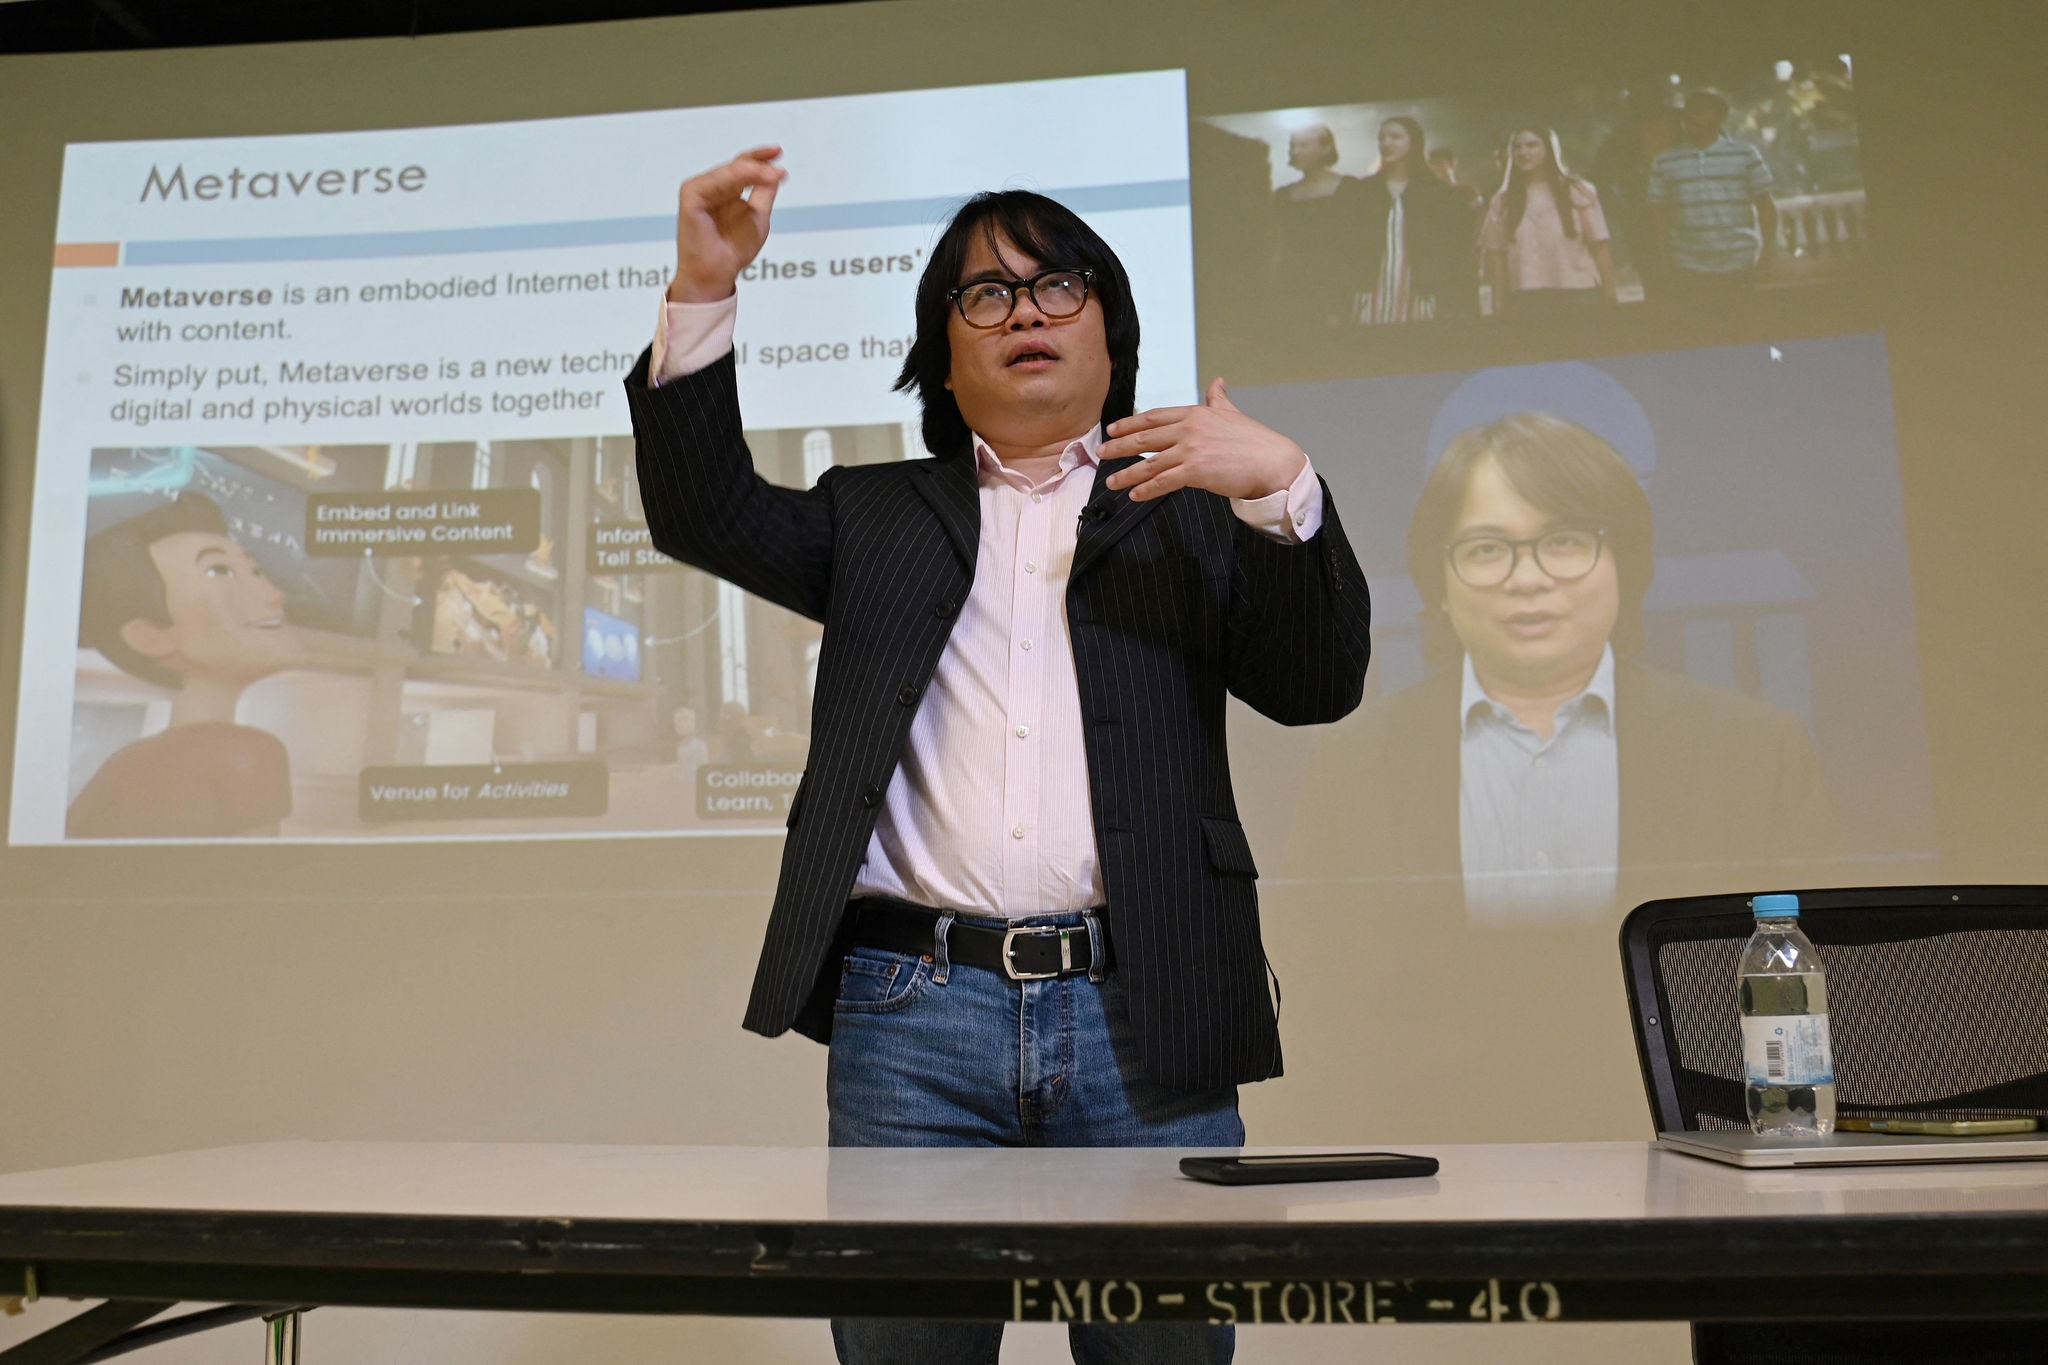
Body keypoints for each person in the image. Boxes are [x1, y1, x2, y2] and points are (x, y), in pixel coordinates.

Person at [625, 147, 1371, 1365]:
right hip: (912, 1014)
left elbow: (1314, 687)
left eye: (1057, 285)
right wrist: (703, 289)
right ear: (945, 355)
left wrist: (1283, 491)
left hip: (1147, 1009)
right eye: (985, 293)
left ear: (1110, 337)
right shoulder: (875, 516)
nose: (1023, 308)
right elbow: (703, 513)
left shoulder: (1189, 513)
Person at [1291, 412, 1833, 920]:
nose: (1528, 579)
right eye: (1486, 549)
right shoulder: (1355, 761)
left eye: (1566, 542)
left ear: (1626, 565)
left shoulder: (1756, 750)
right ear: (1442, 586)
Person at [68, 492, 303, 838]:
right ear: (149, 635)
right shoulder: (248, 754)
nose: (275, 594)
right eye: (219, 571)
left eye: (255, 570)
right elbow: (256, 883)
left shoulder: (121, 764)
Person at [1342, 115, 1478, 323]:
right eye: (1382, 138)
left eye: (1395, 137)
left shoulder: (1437, 193)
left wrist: (1455, 301)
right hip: (1370, 296)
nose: (1386, 143)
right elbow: (1348, 248)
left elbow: (1452, 251)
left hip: (1420, 296)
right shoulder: (1363, 191)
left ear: (1413, 142)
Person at [1647, 90, 1779, 300]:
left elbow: (1766, 206)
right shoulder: (1664, 161)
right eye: (1688, 112)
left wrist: (1769, 253)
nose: (1691, 118)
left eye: (1699, 112)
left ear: (1718, 118)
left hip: (1739, 261)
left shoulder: (1745, 154)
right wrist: (1664, 258)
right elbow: (1658, 213)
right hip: (1688, 264)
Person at [1481, 127, 1619, 316]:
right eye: (1517, 147)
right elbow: (1495, 255)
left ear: (1549, 149)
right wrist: (1498, 301)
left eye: (1532, 145)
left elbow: (1599, 244)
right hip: (1527, 298)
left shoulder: (1578, 191)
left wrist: (1610, 291)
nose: (1523, 152)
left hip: (1578, 293)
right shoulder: (1503, 201)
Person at [1268, 124, 1362, 328]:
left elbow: (1359, 243)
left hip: (1335, 284)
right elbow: (1277, 244)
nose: (1296, 151)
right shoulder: (1283, 196)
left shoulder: (1351, 189)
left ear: (1326, 148)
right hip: (1292, 284)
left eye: (1304, 145)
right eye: (1293, 146)